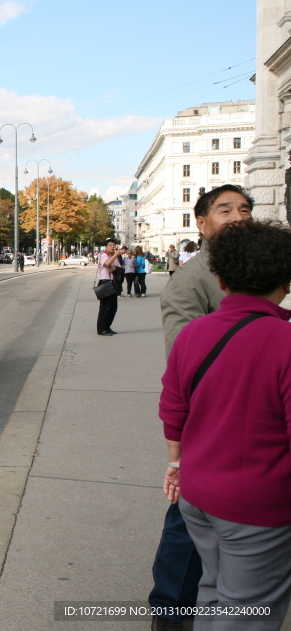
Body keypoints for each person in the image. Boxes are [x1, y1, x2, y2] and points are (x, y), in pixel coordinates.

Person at [159, 219, 291, 631]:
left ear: (219, 277)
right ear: (286, 280)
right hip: (256, 503)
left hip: (198, 494)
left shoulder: (194, 332)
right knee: (247, 612)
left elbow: (172, 407)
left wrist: (177, 466)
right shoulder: (283, 341)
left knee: (213, 591)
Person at [149, 183, 254, 631]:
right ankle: (171, 612)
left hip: (258, 416)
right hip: (214, 423)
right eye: (225, 209)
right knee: (191, 522)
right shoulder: (191, 282)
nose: (237, 216)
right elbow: (184, 362)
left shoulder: (258, 265)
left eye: (245, 209)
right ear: (202, 223)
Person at [96, 238, 123, 336]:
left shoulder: (113, 256)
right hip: (105, 283)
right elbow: (107, 264)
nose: (113, 247)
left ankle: (107, 326)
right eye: (110, 245)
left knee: (113, 307)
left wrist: (114, 267)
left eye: (114, 245)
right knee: (105, 307)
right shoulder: (104, 255)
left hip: (113, 283)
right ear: (106, 247)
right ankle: (101, 329)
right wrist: (116, 254)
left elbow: (119, 268)